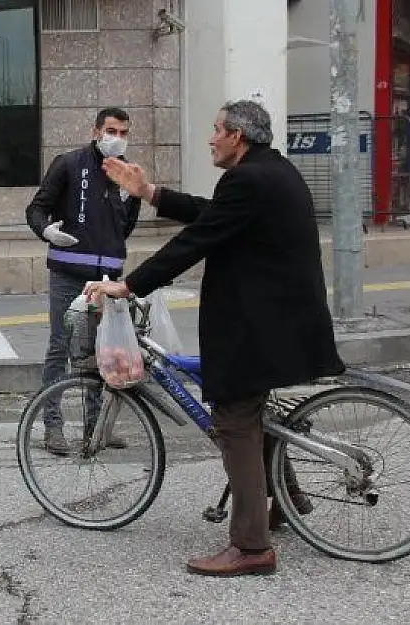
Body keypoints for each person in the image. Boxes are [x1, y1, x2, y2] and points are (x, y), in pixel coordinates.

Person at [84, 99, 344, 577]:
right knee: (254, 414)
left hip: (260, 326)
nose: (211, 137)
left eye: (216, 128)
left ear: (237, 137)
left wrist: (129, 284)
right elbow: (212, 217)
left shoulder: (248, 179)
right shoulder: (273, 171)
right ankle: (286, 501)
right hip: (283, 319)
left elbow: (196, 241)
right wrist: (150, 191)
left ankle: (250, 546)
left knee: (235, 423)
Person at [25, 107, 143, 455]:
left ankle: (96, 427)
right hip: (68, 272)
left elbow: (127, 225)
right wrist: (46, 230)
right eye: (111, 131)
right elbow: (36, 208)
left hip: (107, 278)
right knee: (61, 346)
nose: (117, 138)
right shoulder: (69, 163)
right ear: (96, 131)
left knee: (103, 351)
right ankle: (53, 426)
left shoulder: (127, 174)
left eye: (123, 132)